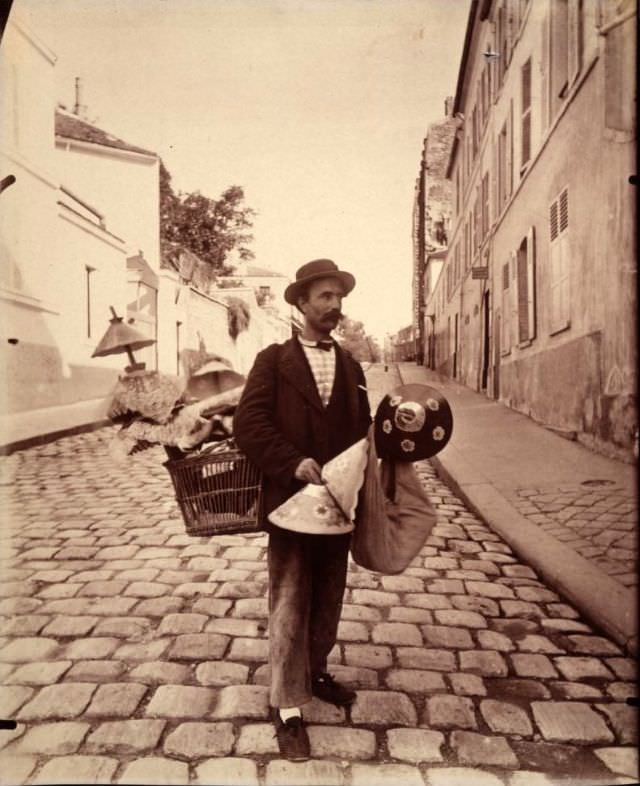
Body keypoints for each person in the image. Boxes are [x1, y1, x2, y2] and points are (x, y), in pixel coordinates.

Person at [233, 258, 371, 761]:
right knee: (291, 599)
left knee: (329, 598)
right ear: (301, 303)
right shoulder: (274, 360)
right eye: (325, 297)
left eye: (339, 297)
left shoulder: (352, 365)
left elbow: (363, 434)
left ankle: (314, 671)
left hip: (337, 507)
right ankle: (287, 708)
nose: (334, 306)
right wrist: (292, 463)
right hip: (290, 504)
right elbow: (249, 424)